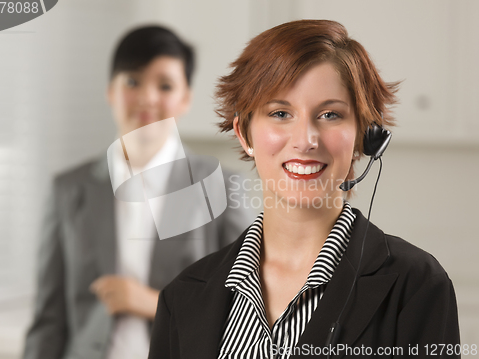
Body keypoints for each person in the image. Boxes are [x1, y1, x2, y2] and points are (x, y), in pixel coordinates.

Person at [149, 20, 460, 358]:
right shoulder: (181, 298)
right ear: (244, 134)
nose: (305, 140)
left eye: (330, 115)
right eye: (281, 113)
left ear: (364, 135)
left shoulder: (416, 286)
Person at [23, 25, 253, 359]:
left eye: (165, 85)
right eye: (132, 81)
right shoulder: (68, 190)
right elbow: (49, 320)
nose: (147, 97)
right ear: (110, 91)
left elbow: (246, 315)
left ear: (186, 97)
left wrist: (152, 302)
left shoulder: (222, 189)